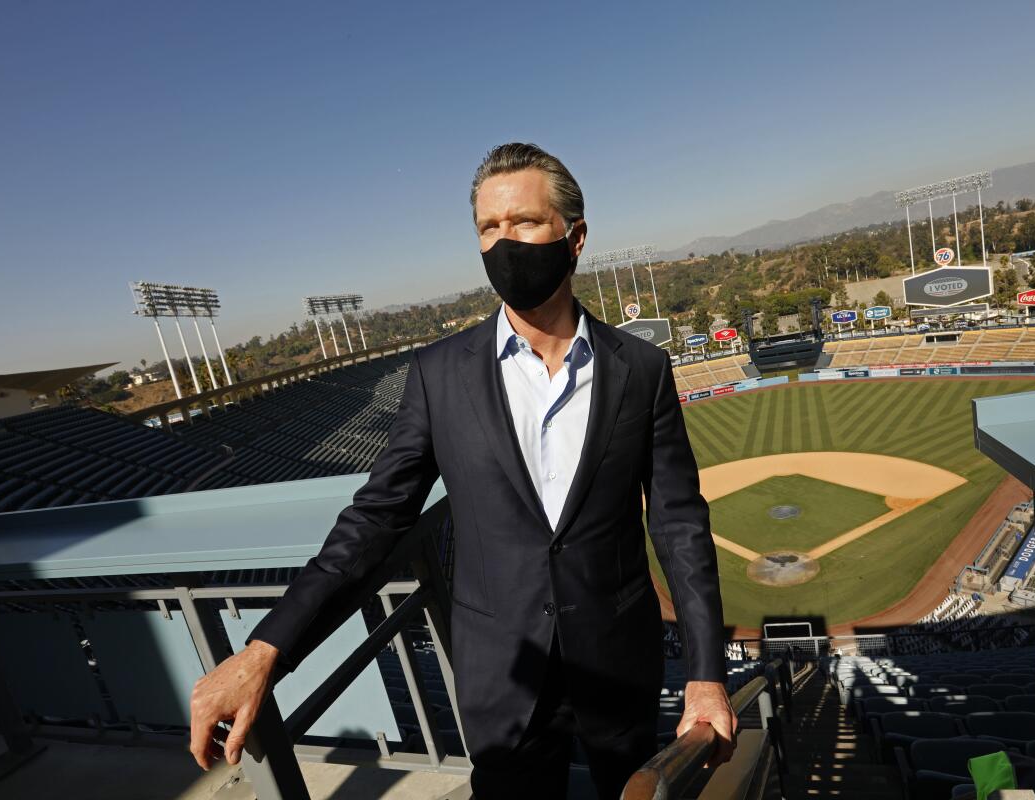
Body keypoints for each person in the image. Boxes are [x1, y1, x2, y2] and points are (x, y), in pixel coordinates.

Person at [189, 142, 736, 799]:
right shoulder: (439, 374)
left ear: (576, 236)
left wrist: (707, 674)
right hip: (500, 674)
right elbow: (376, 520)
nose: (505, 242)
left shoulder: (641, 369)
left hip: (617, 659)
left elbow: (678, 523)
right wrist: (264, 651)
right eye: (488, 228)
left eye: (525, 222)